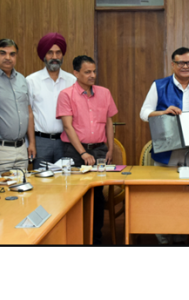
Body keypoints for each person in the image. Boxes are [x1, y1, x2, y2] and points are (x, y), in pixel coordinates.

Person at [139, 47, 189, 245]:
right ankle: (162, 236)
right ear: (173, 64)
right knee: (163, 194)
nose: (185, 66)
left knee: (186, 194)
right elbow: (144, 113)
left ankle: (181, 235)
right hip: (165, 148)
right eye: (181, 63)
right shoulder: (159, 85)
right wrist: (163, 112)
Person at [56, 55, 118, 244]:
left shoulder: (104, 93)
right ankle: (76, 237)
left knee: (97, 197)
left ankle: (95, 238)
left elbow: (109, 122)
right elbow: (68, 126)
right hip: (74, 151)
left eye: (94, 71)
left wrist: (110, 148)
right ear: (76, 73)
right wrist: (83, 152)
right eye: (87, 72)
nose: (92, 75)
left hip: (99, 151)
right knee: (75, 196)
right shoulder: (66, 95)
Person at [0, 39, 35, 177]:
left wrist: (32, 143)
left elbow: (28, 113)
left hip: (21, 148)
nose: (8, 57)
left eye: (12, 54)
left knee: (21, 191)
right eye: (3, 53)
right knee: (0, 193)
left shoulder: (22, 79)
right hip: (0, 149)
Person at [27, 32, 76, 170]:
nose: (54, 57)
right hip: (40, 143)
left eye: (58, 52)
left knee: (66, 183)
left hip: (66, 141)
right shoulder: (31, 81)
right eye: (50, 53)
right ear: (44, 55)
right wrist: (31, 143)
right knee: (41, 183)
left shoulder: (72, 81)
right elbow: (28, 114)